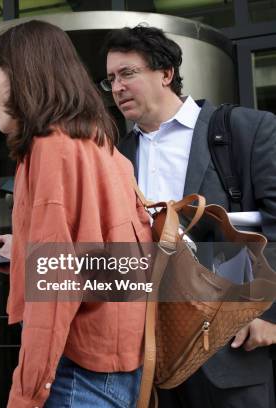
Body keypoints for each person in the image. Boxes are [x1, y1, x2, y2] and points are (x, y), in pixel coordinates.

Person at [0, 21, 153, 407]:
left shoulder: (49, 148)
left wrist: (26, 394)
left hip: (76, 371)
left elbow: (55, 290)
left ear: (22, 78)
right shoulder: (98, 142)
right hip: (119, 361)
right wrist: (28, 253)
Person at [104, 24, 276, 407]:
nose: (117, 87)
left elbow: (273, 225)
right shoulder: (114, 157)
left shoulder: (245, 130)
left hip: (233, 344)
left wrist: (271, 314)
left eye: (128, 73)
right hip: (151, 354)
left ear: (166, 74)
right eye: (111, 78)